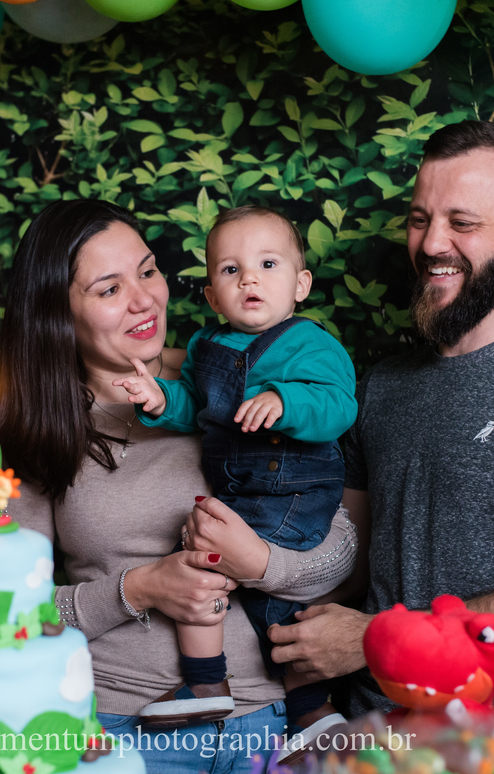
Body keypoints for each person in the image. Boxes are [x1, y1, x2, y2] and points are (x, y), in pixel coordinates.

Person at [267, 120, 494, 736]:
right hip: (365, 732)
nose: (432, 243)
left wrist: (380, 640)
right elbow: (344, 563)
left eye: (462, 224)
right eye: (420, 219)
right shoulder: (379, 384)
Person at [0, 199, 358, 774]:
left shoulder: (246, 383)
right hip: (124, 726)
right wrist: (139, 590)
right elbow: (7, 614)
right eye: (108, 289)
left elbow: (337, 543)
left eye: (147, 271)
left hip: (270, 724)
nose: (144, 300)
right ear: (59, 314)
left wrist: (263, 563)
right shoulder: (37, 431)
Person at [114, 206, 356, 745]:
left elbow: (339, 406)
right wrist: (160, 399)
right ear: (210, 296)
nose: (249, 278)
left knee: (282, 603)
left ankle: (301, 707)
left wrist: (285, 400)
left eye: (268, 264)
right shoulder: (206, 348)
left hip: (295, 486)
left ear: (300, 285)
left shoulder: (310, 344)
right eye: (229, 270)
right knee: (200, 568)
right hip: (239, 488)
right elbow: (197, 409)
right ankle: (217, 686)